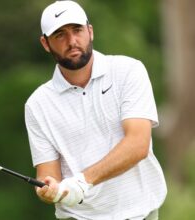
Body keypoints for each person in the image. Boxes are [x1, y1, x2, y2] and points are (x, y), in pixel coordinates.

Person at [24, 1, 167, 219]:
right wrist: (50, 191)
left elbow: (138, 144)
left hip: (140, 214)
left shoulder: (128, 71)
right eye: (60, 35)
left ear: (90, 31)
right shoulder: (37, 104)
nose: (72, 41)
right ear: (45, 43)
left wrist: (81, 182)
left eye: (77, 30)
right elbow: (47, 176)